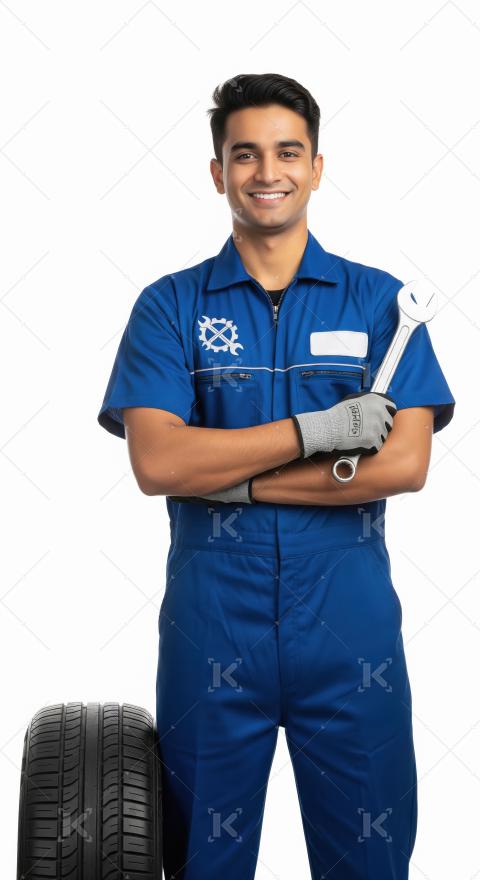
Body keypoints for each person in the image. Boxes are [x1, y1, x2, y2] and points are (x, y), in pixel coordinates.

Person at [97, 73, 455, 880]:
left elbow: (404, 462)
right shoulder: (170, 307)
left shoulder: (383, 306)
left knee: (371, 863)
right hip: (211, 628)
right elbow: (158, 461)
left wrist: (235, 478)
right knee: (202, 863)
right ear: (218, 171)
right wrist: (317, 434)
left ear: (318, 167)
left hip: (351, 628)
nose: (268, 172)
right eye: (246, 153)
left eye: (287, 151)